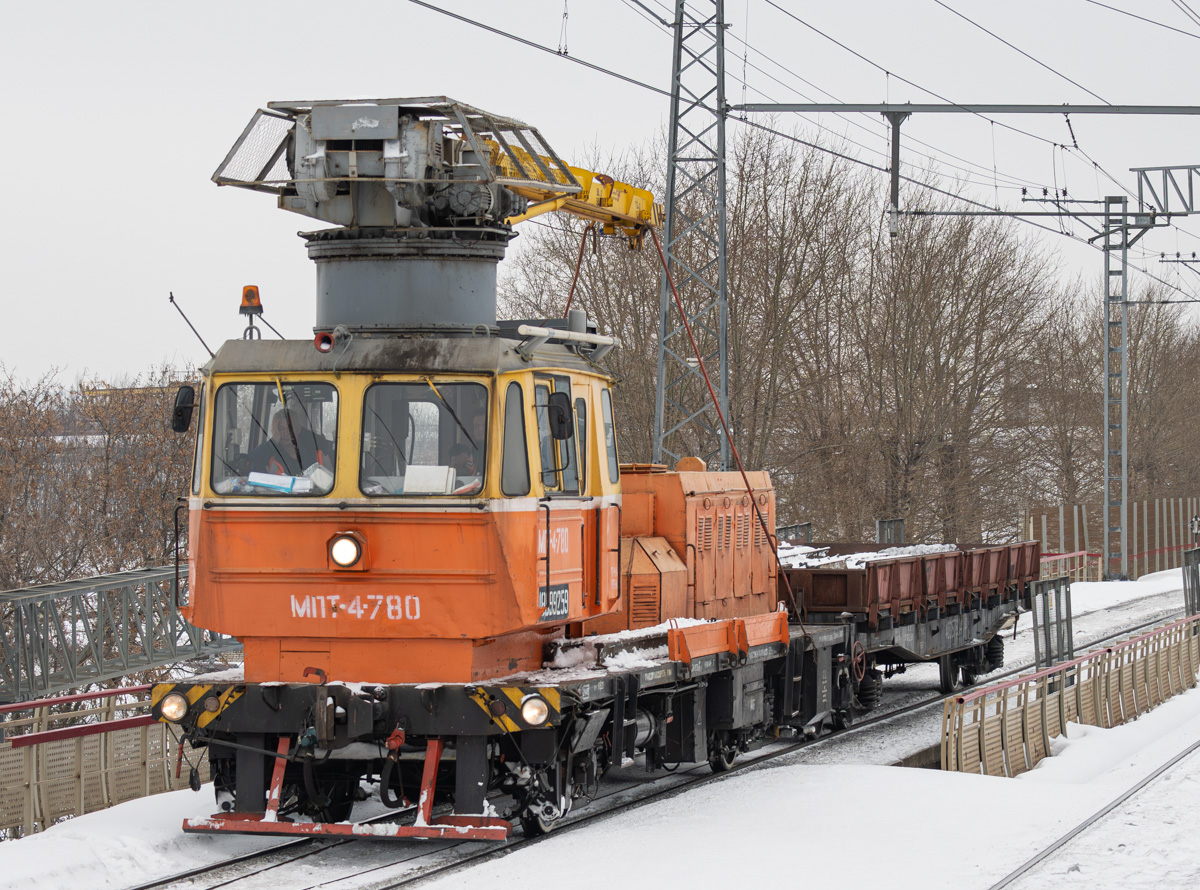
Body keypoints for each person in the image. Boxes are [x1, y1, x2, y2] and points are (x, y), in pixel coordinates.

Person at [249, 405, 334, 477]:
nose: (285, 433)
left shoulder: (318, 449)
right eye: (281, 429)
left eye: (290, 428)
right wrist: (273, 443)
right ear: (276, 431)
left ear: (298, 429)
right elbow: (252, 458)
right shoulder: (268, 454)